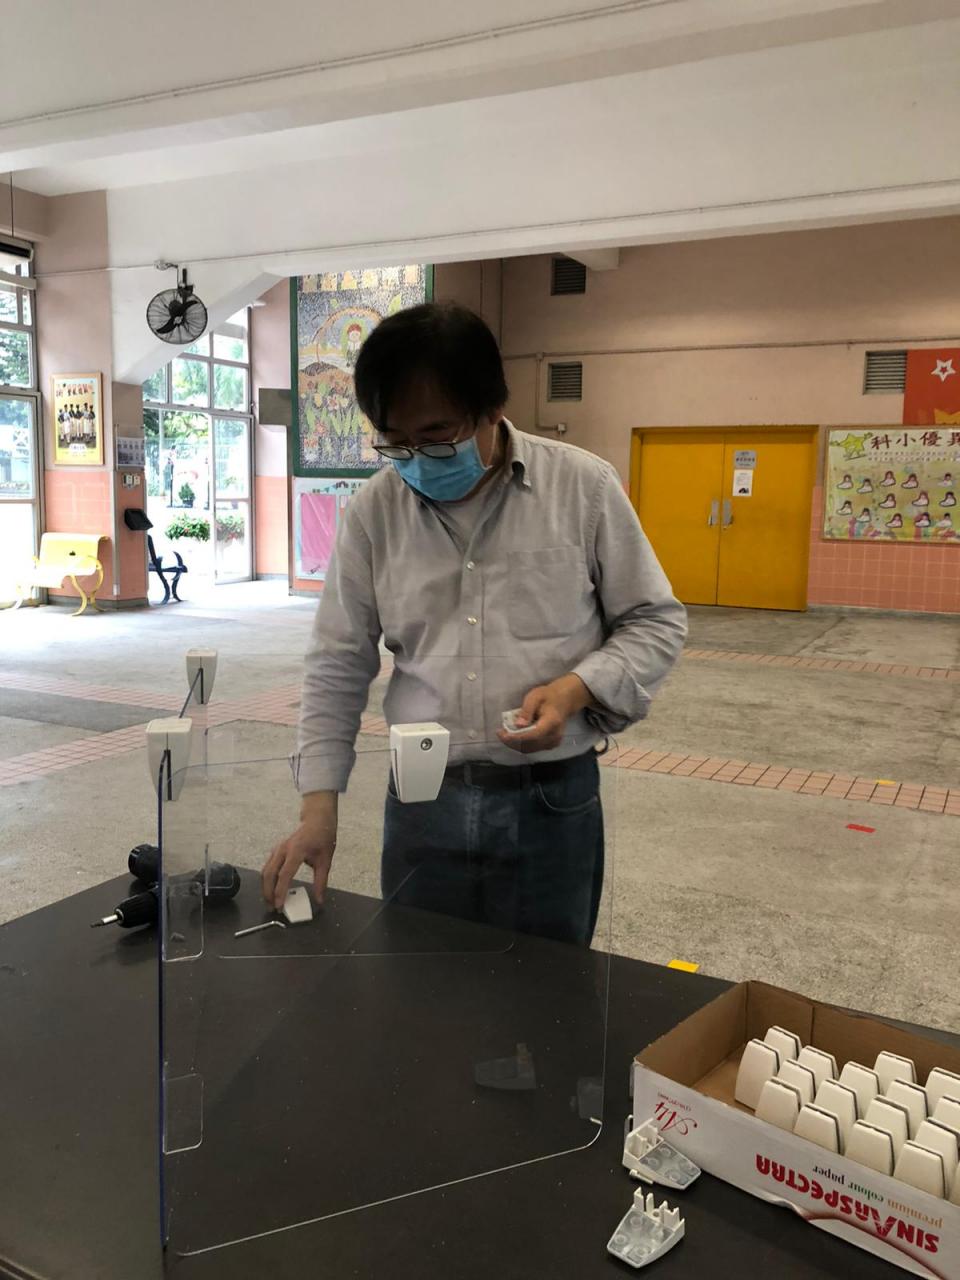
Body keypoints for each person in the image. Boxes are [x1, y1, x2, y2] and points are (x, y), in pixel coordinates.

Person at [262, 303, 686, 945]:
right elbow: (338, 660)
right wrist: (318, 809)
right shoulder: (375, 512)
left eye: (438, 436)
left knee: (547, 986)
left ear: (492, 409)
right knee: (421, 981)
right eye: (397, 443)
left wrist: (575, 690)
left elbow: (655, 620)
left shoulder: (583, 488)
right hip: (421, 798)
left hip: (552, 798)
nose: (417, 458)